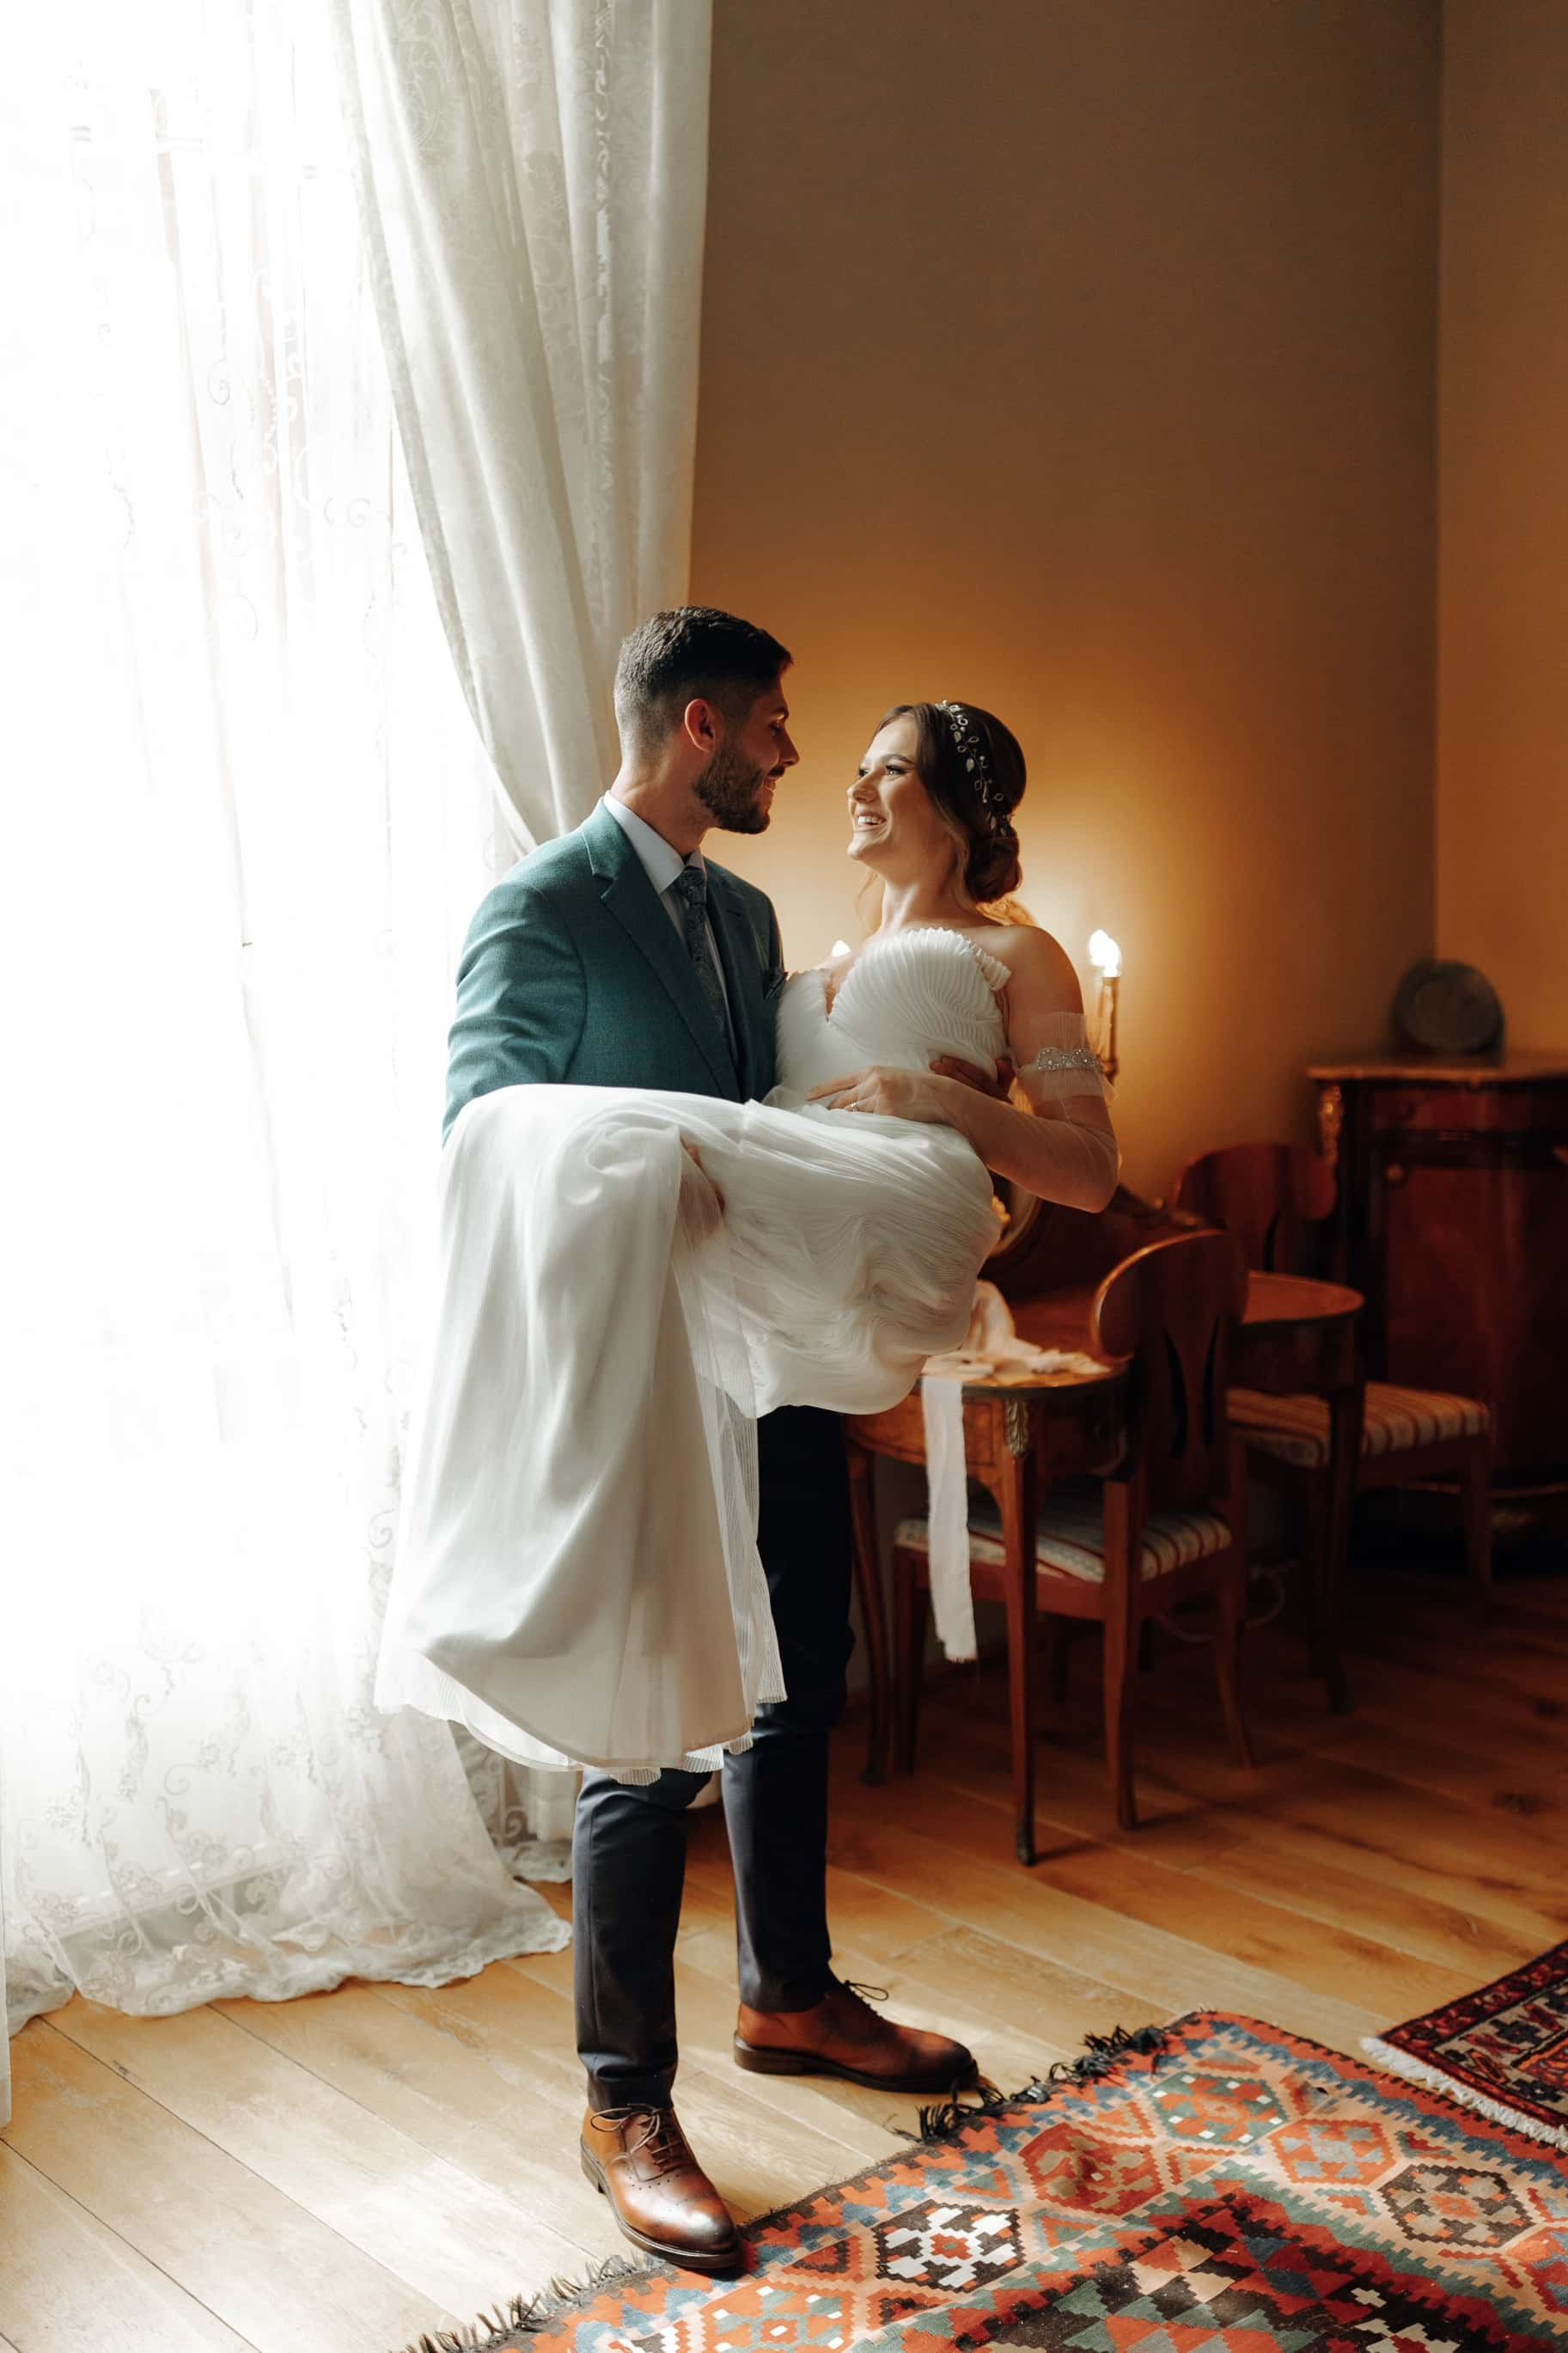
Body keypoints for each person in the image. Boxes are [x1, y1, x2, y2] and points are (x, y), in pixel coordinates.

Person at [376, 609, 1117, 2275]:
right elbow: (486, 1142)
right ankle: (623, 2100)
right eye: (778, 723)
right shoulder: (538, 906)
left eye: (848, 750)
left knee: (800, 1670)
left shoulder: (751, 916)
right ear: (700, 724)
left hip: (772, 1353)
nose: (798, 754)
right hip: (634, 1367)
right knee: (641, 1720)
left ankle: (788, 1989)